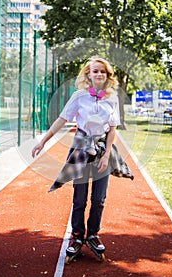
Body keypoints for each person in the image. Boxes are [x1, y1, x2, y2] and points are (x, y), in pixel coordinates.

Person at [32, 56, 133, 258]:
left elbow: (112, 130)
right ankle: (77, 235)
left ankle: (93, 234)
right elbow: (62, 119)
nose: (99, 74)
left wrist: (106, 156)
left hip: (102, 150)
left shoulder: (112, 98)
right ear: (88, 74)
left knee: (99, 199)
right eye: (95, 71)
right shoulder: (79, 96)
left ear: (107, 75)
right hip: (81, 149)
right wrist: (43, 141)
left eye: (103, 71)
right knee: (79, 199)